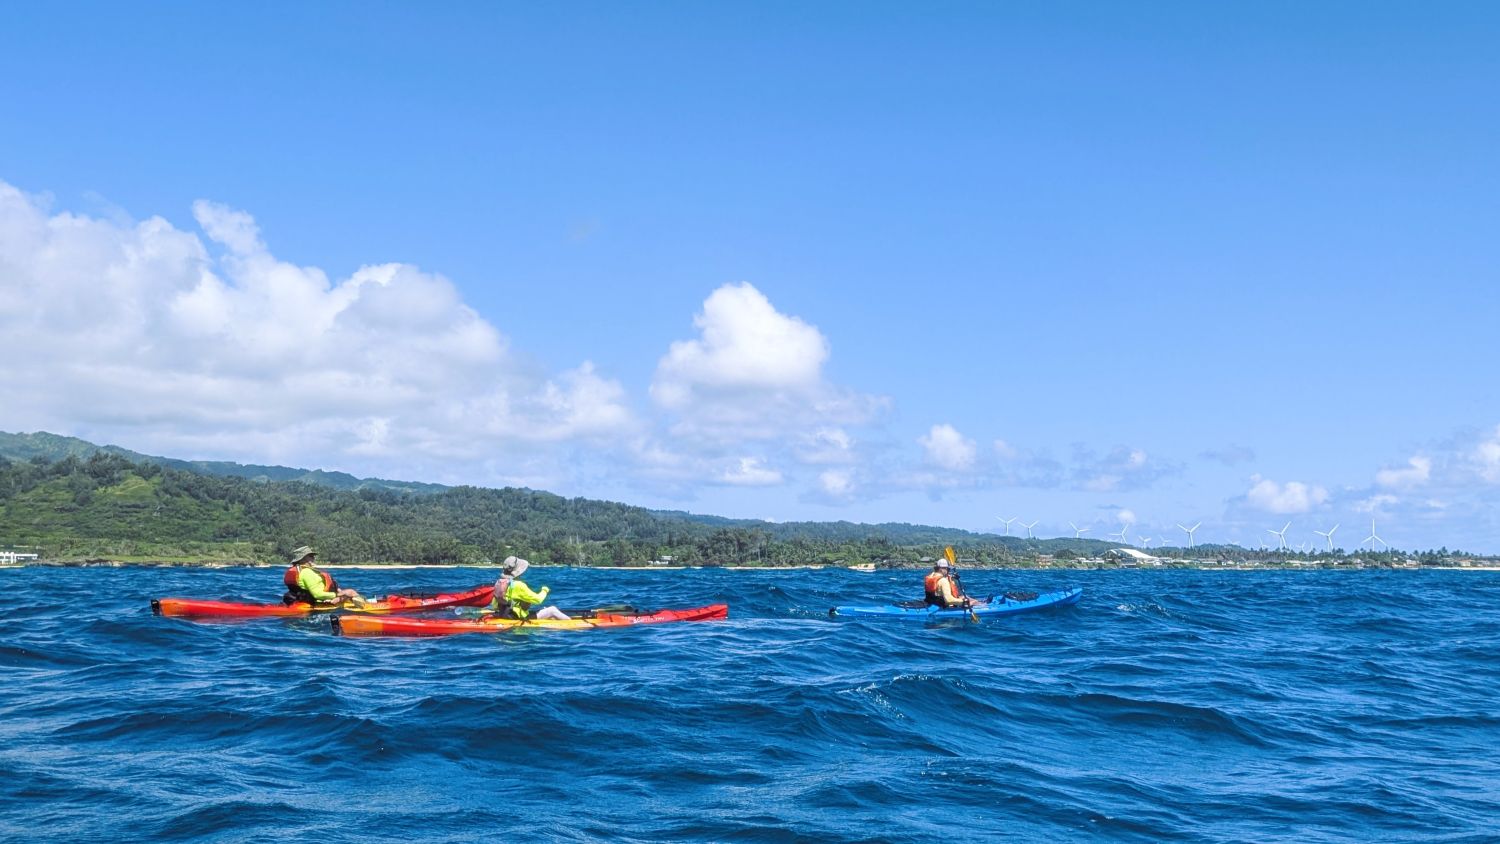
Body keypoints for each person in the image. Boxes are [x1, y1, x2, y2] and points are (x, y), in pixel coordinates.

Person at [484, 556, 569, 621]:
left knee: (538, 609)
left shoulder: (499, 583)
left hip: (503, 615)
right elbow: (538, 600)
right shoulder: (519, 585)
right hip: (515, 618)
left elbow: (495, 605)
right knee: (552, 610)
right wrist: (545, 590)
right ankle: (572, 625)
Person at [282, 546, 366, 606]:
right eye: (311, 556)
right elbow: (317, 595)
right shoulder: (306, 572)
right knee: (351, 592)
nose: (313, 558)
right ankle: (366, 606)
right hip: (320, 601)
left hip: (319, 599)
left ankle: (363, 602)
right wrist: (338, 595)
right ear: (302, 559)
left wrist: (340, 592)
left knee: (348, 593)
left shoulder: (303, 570)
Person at [923, 557, 987, 609]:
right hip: (944, 606)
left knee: (964, 596)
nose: (948, 571)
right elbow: (949, 600)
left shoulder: (932, 576)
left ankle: (981, 602)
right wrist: (965, 602)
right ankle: (982, 605)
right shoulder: (943, 581)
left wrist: (952, 577)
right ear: (941, 569)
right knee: (971, 601)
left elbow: (943, 579)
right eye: (948, 569)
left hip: (933, 603)